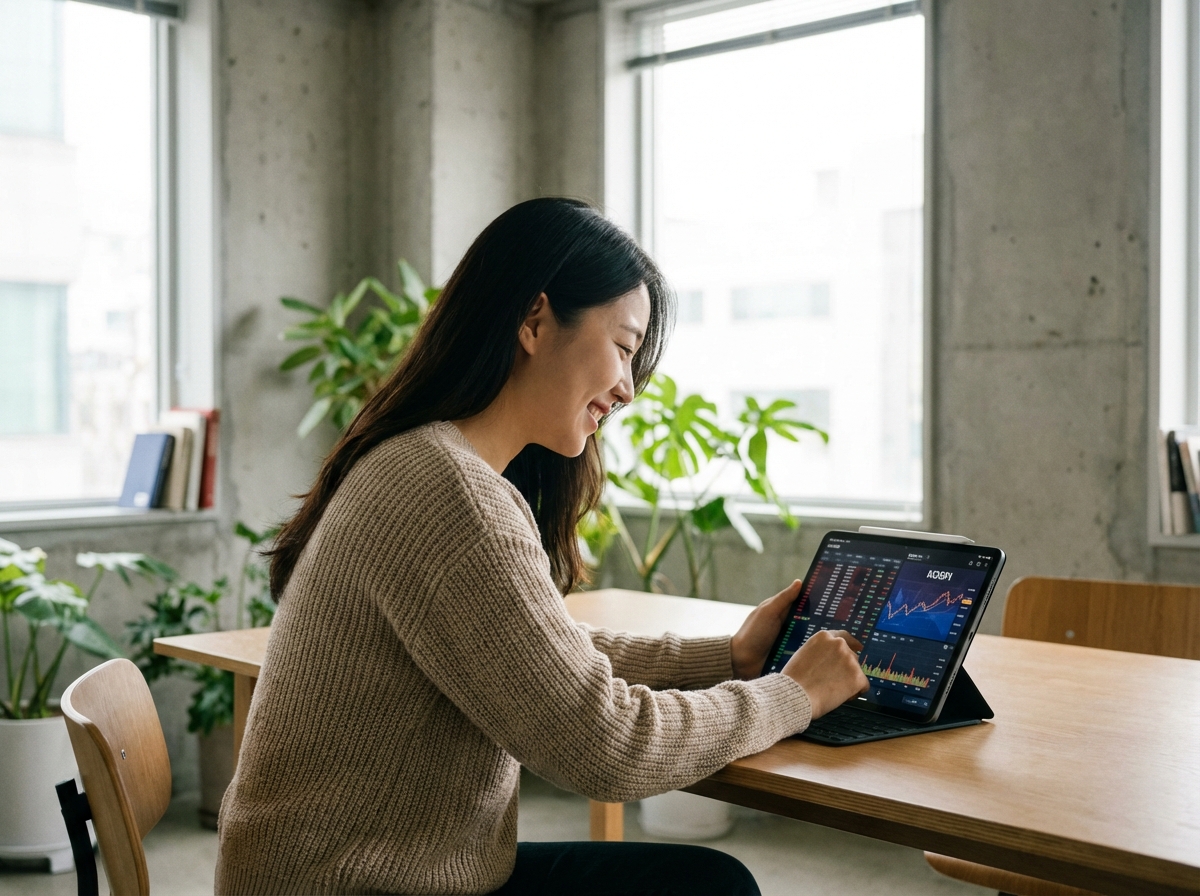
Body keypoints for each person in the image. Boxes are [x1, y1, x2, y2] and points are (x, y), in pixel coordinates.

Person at [215, 198, 869, 896]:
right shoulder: (451, 493)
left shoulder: (432, 464)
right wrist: (792, 695)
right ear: (534, 321)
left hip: (358, 877)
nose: (628, 389)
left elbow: (543, 658)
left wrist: (729, 658)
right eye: (624, 347)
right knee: (709, 890)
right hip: (350, 887)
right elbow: (609, 746)